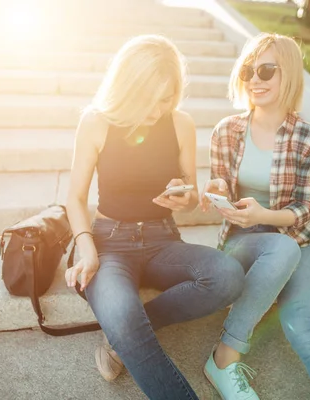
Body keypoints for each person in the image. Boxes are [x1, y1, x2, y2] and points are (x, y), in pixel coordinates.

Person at [63, 34, 244, 400]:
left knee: (228, 276)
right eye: (149, 98)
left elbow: (191, 196)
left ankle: (123, 335)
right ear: (128, 87)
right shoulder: (96, 121)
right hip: (110, 243)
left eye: (166, 98)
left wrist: (185, 197)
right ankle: (125, 328)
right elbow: (75, 198)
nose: (157, 109)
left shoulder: (181, 123)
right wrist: (87, 250)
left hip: (164, 240)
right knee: (123, 315)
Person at [199, 33, 310, 400]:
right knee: (282, 249)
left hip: (295, 237)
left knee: (300, 323)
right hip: (241, 241)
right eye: (249, 71)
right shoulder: (227, 131)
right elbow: (223, 183)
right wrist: (218, 192)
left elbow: (305, 209)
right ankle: (224, 356)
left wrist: (267, 214)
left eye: (267, 70)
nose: (255, 79)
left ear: (290, 74)